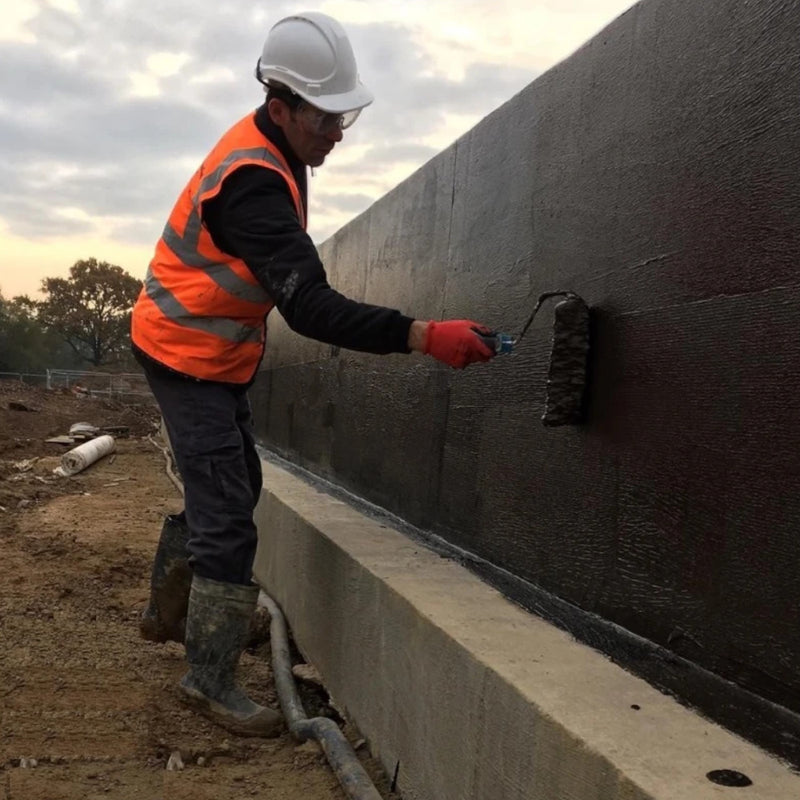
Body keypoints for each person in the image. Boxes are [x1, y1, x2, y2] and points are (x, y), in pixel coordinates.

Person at [130, 11, 496, 738]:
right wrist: (423, 335)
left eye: (343, 117)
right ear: (281, 107)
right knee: (227, 516)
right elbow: (311, 309)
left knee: (236, 484)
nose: (337, 134)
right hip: (184, 353)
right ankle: (207, 679)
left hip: (214, 353)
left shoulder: (279, 149)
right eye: (325, 119)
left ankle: (169, 613)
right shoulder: (253, 186)